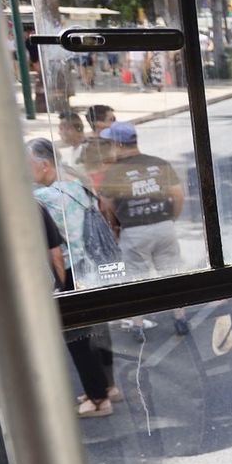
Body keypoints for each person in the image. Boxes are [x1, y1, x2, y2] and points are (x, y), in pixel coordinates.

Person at [0, 200, 115, 417]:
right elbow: (55, 253)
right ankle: (94, 396)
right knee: (70, 343)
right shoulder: (31, 204)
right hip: (40, 291)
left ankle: (35, 411)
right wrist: (57, 289)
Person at [29, 138, 122, 410]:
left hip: (69, 272)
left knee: (78, 338)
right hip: (91, 267)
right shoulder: (77, 185)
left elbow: (52, 249)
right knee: (99, 329)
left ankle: (97, 399)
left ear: (45, 165)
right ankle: (108, 386)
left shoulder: (44, 198)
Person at [98, 122, 188, 337]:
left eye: (110, 143)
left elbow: (106, 206)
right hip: (164, 227)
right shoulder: (159, 163)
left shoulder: (113, 172)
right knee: (171, 273)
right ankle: (180, 318)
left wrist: (115, 227)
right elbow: (178, 195)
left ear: (118, 144)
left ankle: (138, 325)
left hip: (133, 232)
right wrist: (171, 219)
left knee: (137, 279)